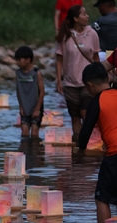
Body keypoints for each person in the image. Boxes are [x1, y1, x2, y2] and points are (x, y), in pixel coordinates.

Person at [77, 62, 117, 223]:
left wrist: (80, 150)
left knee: (102, 197)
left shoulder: (97, 101)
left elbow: (85, 132)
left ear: (89, 85)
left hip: (114, 156)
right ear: (108, 77)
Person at [56, 5, 100, 141]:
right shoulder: (66, 35)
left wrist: (99, 79)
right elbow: (59, 59)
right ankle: (78, 145)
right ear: (76, 18)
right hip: (70, 82)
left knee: (85, 114)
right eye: (84, 14)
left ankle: (88, 143)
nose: (87, 17)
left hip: (88, 83)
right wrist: (59, 80)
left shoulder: (92, 33)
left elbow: (96, 58)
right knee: (75, 117)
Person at [14, 46, 45, 138]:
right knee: (24, 133)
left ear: (28, 60)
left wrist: (37, 109)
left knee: (34, 133)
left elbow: (42, 92)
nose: (17, 62)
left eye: (19, 60)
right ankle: (25, 151)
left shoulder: (36, 73)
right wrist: (21, 107)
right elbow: (18, 91)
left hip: (36, 107)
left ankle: (35, 151)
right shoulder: (18, 73)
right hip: (25, 107)